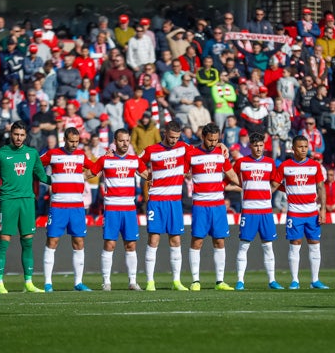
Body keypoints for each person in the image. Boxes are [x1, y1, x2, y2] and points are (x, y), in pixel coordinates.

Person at [0, 121, 51, 293]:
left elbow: (42, 176)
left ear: (26, 136)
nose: (19, 138)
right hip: (8, 202)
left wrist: (64, 181)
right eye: (16, 134)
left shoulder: (32, 153)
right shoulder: (0, 154)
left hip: (27, 202)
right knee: (3, 242)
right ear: (11, 134)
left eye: (22, 135)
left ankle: (28, 282)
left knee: (28, 242)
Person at [88, 127, 148, 291]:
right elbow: (88, 173)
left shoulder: (134, 160)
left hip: (129, 209)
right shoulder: (105, 160)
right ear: (115, 142)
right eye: (121, 141)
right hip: (112, 209)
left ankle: (133, 281)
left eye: (127, 141)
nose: (124, 143)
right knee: (110, 244)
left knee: (131, 245)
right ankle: (106, 281)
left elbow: (148, 175)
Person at [140, 120, 193, 291]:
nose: (173, 140)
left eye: (176, 137)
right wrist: (146, 176)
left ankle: (176, 281)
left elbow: (201, 152)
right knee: (154, 239)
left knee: (175, 239)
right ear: (165, 133)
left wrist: (221, 144)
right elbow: (137, 162)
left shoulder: (183, 147)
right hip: (156, 201)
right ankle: (150, 282)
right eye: (171, 137)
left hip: (174, 201)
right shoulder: (151, 150)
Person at [271, 134, 328, 289]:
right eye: (300, 147)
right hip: (294, 212)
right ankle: (295, 280)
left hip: (312, 211)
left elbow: (321, 188)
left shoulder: (315, 166)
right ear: (293, 148)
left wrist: (322, 209)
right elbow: (274, 185)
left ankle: (315, 280)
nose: (304, 150)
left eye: (305, 147)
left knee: (314, 244)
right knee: (295, 244)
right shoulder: (285, 166)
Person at [186, 123, 238, 290]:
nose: (213, 143)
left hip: (218, 204)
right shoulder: (192, 153)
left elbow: (230, 174)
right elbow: (183, 172)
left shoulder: (221, 153)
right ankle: (195, 281)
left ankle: (219, 281)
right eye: (210, 140)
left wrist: (247, 185)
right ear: (203, 137)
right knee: (197, 242)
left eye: (216, 140)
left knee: (219, 241)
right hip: (200, 204)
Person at [41, 126, 91, 292]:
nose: (74, 144)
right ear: (64, 139)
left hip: (77, 205)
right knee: (52, 241)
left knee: (79, 242)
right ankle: (48, 282)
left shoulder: (81, 155)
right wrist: (49, 180)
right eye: (71, 141)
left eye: (77, 142)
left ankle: (78, 282)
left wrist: (106, 158)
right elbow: (36, 165)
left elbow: (94, 168)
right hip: (58, 205)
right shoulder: (53, 154)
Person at [233, 132, 282, 290]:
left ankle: (272, 280)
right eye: (256, 145)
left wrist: (267, 193)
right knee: (244, 245)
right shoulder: (241, 163)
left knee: (268, 246)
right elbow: (229, 179)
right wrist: (243, 189)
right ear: (250, 146)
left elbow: (275, 182)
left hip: (266, 211)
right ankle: (240, 280)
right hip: (249, 211)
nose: (259, 148)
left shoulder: (270, 163)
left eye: (261, 145)